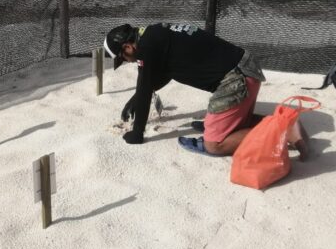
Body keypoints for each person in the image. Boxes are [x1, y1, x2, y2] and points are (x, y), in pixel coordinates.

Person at [103, 22, 308, 158]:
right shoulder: (155, 33)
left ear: (127, 48)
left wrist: (137, 133)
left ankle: (284, 131)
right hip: (245, 69)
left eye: (125, 59)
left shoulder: (146, 48)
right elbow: (164, 74)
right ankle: (285, 123)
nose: (129, 62)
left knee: (214, 144)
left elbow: (145, 85)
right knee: (230, 126)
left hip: (237, 79)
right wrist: (136, 99)